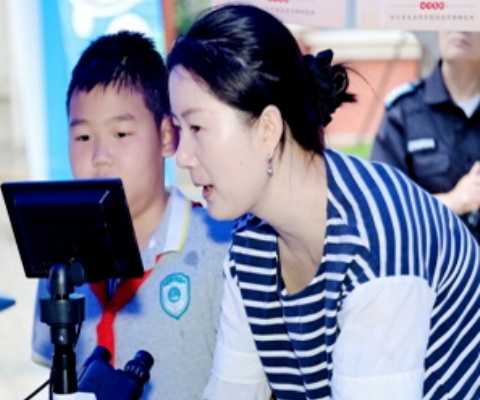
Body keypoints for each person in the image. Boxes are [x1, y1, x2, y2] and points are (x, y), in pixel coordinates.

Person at [167, 4, 480, 400]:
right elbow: (232, 392)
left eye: (196, 127)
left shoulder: (377, 242)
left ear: (267, 129)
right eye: (178, 128)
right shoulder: (250, 243)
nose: (182, 155)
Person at [31, 31, 232, 399]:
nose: (100, 157)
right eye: (83, 137)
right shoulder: (59, 259)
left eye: (121, 134)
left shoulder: (219, 247)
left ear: (167, 136)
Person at [371, 31, 480, 242]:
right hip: (427, 258)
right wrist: (452, 202)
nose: (460, 26)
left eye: (473, 18)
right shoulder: (404, 111)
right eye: (451, 15)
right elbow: (380, 206)